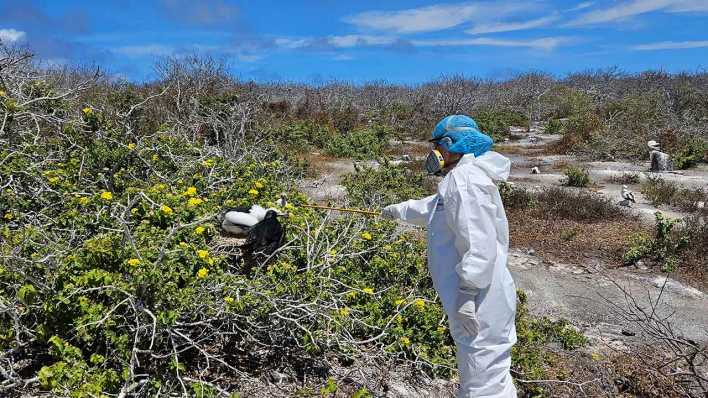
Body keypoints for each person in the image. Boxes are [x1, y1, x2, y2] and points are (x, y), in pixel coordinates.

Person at [382, 115, 517, 398]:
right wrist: (397, 210)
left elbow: (479, 243)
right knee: (492, 378)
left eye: (436, 146)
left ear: (449, 145)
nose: (433, 154)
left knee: (483, 387)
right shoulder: (464, 178)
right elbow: (434, 208)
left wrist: (467, 294)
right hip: (483, 296)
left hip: (478, 301)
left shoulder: (465, 180)